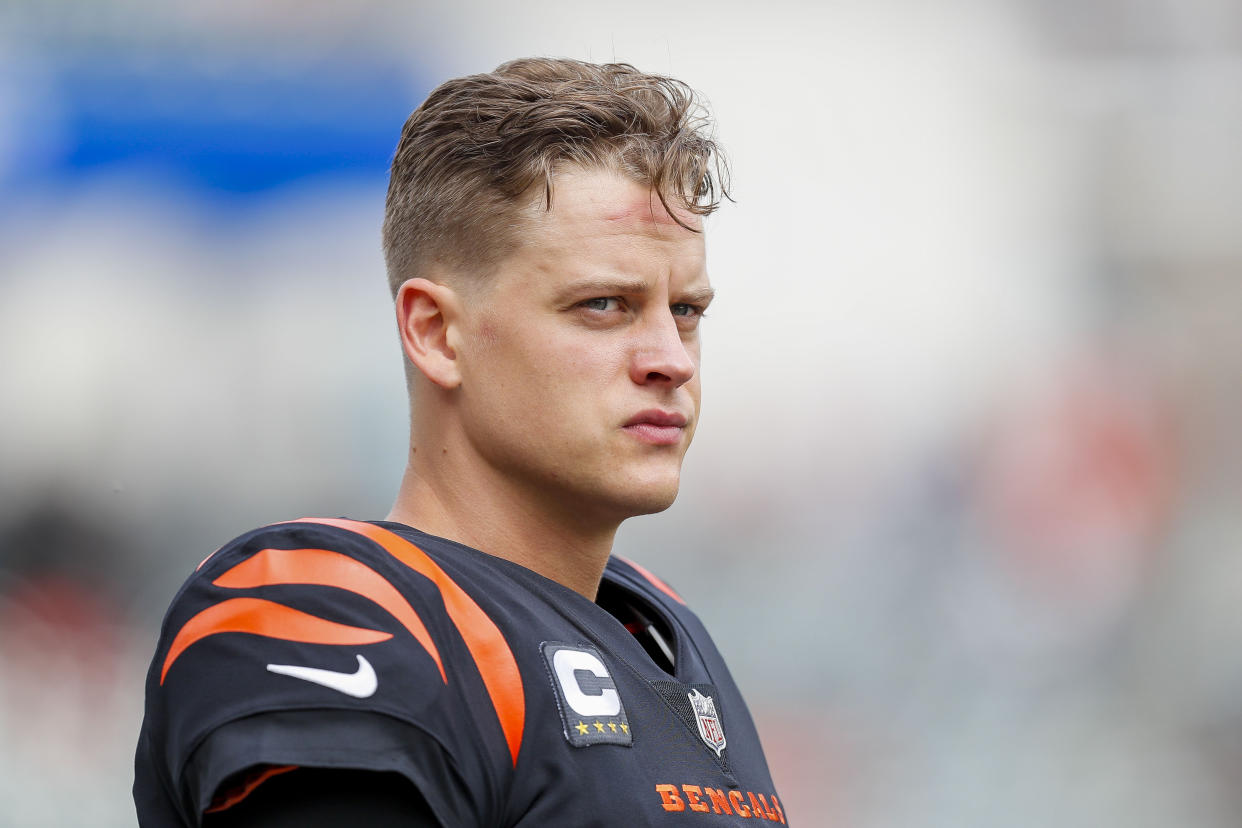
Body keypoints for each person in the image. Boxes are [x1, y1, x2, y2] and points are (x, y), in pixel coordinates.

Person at [134, 57, 786, 827]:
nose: (670, 359)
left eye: (684, 311)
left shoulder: (672, 634)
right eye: (604, 305)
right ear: (436, 333)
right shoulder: (330, 606)